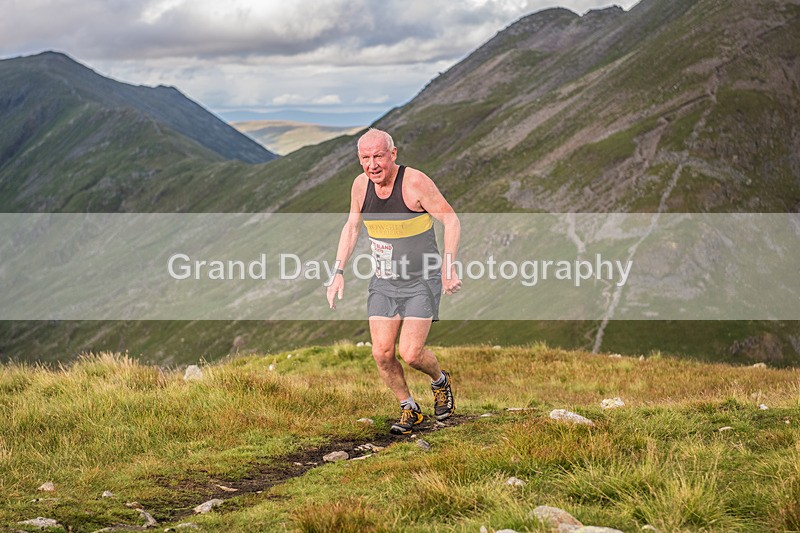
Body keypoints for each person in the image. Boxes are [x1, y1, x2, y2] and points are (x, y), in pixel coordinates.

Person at [326, 128, 462, 434]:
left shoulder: (414, 182)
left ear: (393, 154)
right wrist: (337, 272)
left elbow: (451, 219)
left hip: (421, 280)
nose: (372, 165)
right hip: (385, 280)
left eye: (378, 157)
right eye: (365, 158)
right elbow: (351, 227)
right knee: (382, 353)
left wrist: (449, 266)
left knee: (411, 353)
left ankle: (440, 381)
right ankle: (409, 409)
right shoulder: (361, 186)